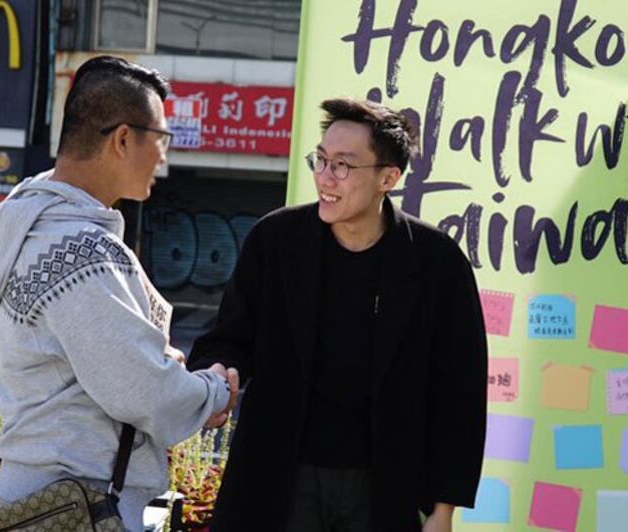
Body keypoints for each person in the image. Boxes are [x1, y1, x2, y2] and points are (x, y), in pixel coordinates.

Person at [0, 55, 238, 531]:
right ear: (123, 139)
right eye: (161, 139)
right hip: (80, 507)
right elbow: (146, 393)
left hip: (36, 502)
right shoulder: (80, 251)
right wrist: (214, 390)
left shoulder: (27, 223)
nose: (164, 156)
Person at [187, 98, 488, 532]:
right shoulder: (275, 241)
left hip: (385, 487)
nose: (325, 178)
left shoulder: (436, 262)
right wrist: (218, 374)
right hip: (277, 478)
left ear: (388, 177)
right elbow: (230, 338)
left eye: (343, 166)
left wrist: (444, 510)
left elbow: (459, 392)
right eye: (321, 160)